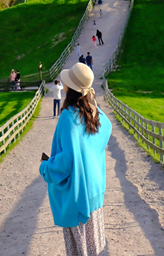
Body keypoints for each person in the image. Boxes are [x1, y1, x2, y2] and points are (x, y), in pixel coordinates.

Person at [39, 63, 112, 256]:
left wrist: (45, 167)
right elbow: (107, 127)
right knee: (95, 246)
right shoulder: (94, 113)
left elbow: (67, 160)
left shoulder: (68, 116)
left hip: (77, 195)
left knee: (79, 250)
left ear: (71, 88)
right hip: (94, 191)